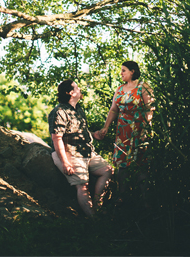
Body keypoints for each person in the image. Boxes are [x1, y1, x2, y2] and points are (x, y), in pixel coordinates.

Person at [49, 80, 112, 218]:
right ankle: (94, 220)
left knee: (107, 170)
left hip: (86, 151)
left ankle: (97, 207)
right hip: (70, 153)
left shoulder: (78, 109)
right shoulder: (59, 112)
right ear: (70, 93)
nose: (80, 89)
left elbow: (79, 131)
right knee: (83, 185)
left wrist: (94, 135)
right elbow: (57, 139)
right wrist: (65, 162)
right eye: (77, 87)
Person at [94, 61, 153, 204]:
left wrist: (146, 129)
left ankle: (145, 200)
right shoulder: (120, 89)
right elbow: (113, 110)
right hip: (122, 132)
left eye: (123, 70)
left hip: (139, 130)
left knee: (141, 164)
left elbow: (150, 109)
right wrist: (106, 127)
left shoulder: (143, 87)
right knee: (122, 164)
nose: (121, 73)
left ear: (132, 71)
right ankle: (122, 197)